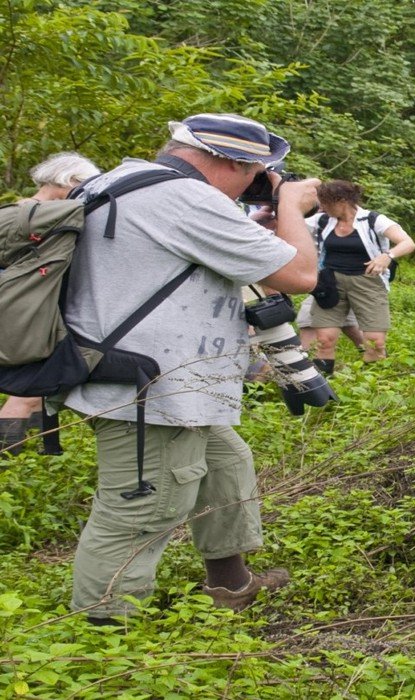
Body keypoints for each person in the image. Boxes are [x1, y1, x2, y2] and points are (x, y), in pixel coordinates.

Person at [61, 113, 320, 622]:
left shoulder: (119, 182)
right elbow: (300, 274)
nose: (254, 184)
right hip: (152, 389)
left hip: (145, 376)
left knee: (225, 466)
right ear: (232, 162)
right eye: (255, 172)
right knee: (138, 511)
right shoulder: (185, 198)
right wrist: (289, 204)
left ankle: (231, 582)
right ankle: (101, 631)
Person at [0, 152, 100, 456]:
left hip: (22, 315)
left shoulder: (19, 213)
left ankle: (20, 460)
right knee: (28, 393)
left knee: (28, 393)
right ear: (70, 181)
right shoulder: (54, 215)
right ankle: (9, 459)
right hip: (35, 318)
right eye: (85, 184)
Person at [309, 180, 415, 369]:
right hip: (330, 283)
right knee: (324, 340)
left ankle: (373, 389)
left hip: (368, 281)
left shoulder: (373, 220)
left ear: (342, 201)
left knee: (375, 342)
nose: (322, 207)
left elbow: (408, 243)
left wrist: (387, 256)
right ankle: (323, 388)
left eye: (326, 203)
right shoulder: (323, 221)